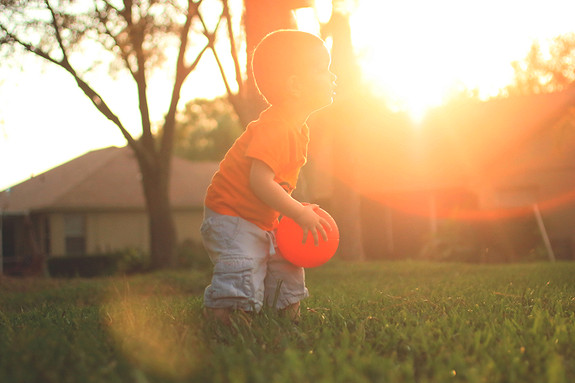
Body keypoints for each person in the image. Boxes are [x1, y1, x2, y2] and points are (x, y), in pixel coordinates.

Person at [201, 30, 337, 325]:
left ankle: (286, 313)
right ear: (295, 86)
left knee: (285, 260)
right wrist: (298, 212)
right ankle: (227, 313)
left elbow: (275, 185)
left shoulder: (297, 129)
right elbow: (259, 182)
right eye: (323, 69)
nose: (332, 76)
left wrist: (288, 213)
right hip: (232, 214)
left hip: (260, 215)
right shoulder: (275, 127)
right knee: (244, 264)